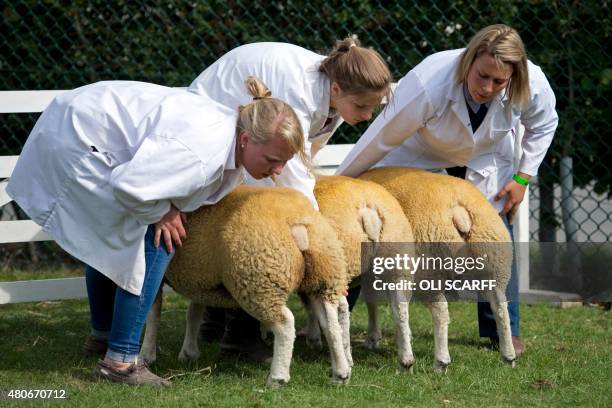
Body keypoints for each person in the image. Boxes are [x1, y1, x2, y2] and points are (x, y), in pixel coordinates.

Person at [6, 77, 305, 386]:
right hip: (77, 140)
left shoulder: (227, 131)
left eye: (284, 162)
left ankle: (103, 336)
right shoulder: (202, 152)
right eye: (273, 160)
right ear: (245, 141)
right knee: (159, 240)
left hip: (78, 124)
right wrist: (163, 212)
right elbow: (132, 186)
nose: (278, 171)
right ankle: (120, 362)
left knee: (111, 239)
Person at [336, 24, 559, 356]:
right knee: (372, 217)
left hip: (487, 154)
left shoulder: (531, 82)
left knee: (495, 230)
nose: (488, 87)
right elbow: (378, 139)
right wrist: (344, 186)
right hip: (419, 148)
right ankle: (337, 311)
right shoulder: (429, 83)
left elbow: (544, 123)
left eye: (499, 82)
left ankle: (503, 330)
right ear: (470, 60)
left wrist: (523, 178)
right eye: (482, 75)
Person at [189, 37, 393, 359]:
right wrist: (325, 247)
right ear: (337, 90)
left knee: (262, 215)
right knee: (263, 227)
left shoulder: (334, 98)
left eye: (372, 107)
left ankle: (218, 319)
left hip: (253, 136)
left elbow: (309, 151)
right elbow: (293, 172)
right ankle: (240, 337)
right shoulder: (298, 91)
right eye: (362, 107)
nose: (367, 115)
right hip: (218, 117)